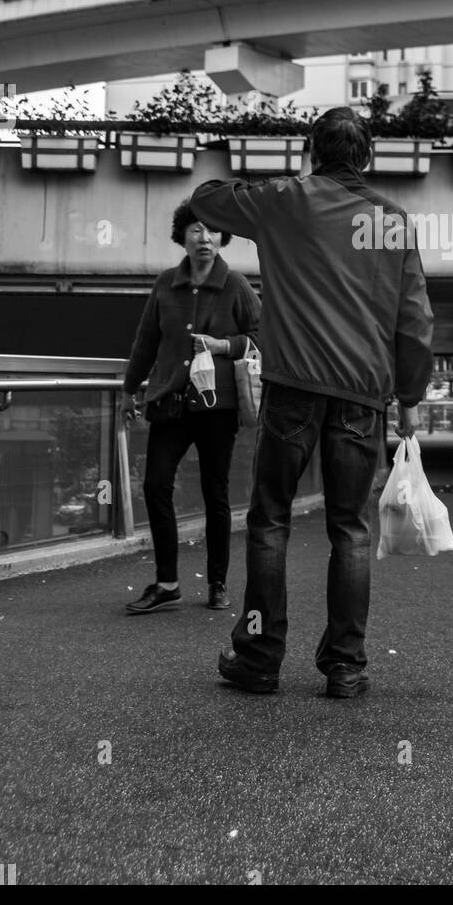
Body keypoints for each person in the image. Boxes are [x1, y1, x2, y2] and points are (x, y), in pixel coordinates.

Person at [191, 106, 434, 699]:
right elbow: (416, 318)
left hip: (294, 387)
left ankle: (259, 658)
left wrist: (269, 185)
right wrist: (409, 399)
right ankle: (346, 666)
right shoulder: (392, 220)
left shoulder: (286, 200)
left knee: (270, 520)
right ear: (368, 158)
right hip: (361, 396)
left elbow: (206, 198)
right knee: (349, 529)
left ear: (311, 153)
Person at [121, 200, 260, 615]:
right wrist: (129, 389)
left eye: (214, 231)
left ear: (223, 239)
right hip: (170, 402)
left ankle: (217, 583)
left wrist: (224, 345)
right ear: (182, 236)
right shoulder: (165, 284)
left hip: (217, 405)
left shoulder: (235, 284)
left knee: (214, 493)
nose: (205, 238)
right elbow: (146, 341)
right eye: (197, 230)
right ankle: (167, 583)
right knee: (155, 484)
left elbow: (264, 336)